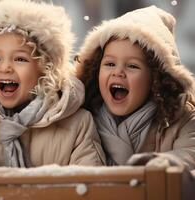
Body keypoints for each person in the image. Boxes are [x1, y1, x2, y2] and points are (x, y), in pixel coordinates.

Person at [0, 0, 105, 168]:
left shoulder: (77, 123)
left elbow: (90, 186)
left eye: (20, 59)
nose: (5, 67)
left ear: (45, 68)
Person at [76, 6, 195, 169]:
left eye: (132, 66)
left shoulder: (180, 120)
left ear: (156, 78)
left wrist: (160, 164)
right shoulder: (83, 120)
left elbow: (190, 153)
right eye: (110, 64)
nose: (118, 72)